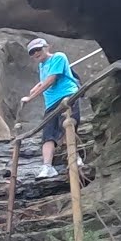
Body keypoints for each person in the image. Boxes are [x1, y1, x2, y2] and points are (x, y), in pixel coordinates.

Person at [19, 38, 84, 178]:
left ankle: (75, 158)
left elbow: (51, 80)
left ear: (47, 47)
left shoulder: (59, 57)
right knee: (48, 134)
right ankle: (47, 167)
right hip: (51, 103)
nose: (36, 53)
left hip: (67, 95)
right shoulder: (42, 66)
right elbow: (44, 80)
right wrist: (35, 87)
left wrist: (31, 98)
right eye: (32, 52)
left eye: (38, 49)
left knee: (68, 125)